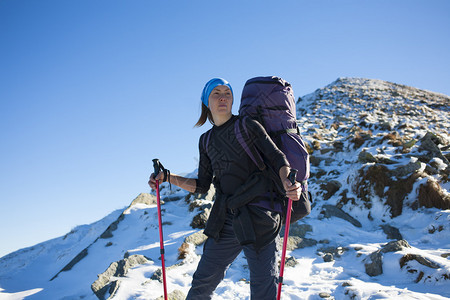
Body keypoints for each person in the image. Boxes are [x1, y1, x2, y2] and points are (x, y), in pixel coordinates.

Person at [149, 78, 310, 299]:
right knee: (201, 284)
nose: (223, 97)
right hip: (226, 217)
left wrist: (287, 182)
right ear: (206, 101)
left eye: (227, 93)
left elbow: (277, 157)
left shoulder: (247, 125)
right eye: (216, 93)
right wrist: (168, 177)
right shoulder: (205, 140)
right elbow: (202, 185)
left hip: (260, 215)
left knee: (263, 289)